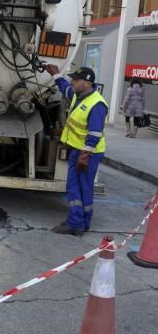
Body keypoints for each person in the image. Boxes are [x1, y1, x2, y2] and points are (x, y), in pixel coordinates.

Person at [45, 64, 108, 236]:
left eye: (76, 79)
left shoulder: (96, 104)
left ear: (87, 83)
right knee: (82, 188)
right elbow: (65, 88)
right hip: (79, 150)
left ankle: (75, 224)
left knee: (75, 187)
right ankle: (81, 222)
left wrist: (85, 156)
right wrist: (56, 74)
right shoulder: (78, 95)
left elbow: (94, 133)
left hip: (87, 153)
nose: (72, 81)